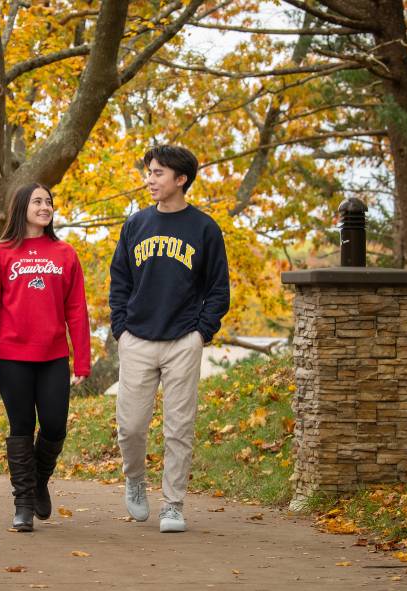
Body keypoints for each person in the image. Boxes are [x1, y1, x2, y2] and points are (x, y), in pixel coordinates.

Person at [109, 145, 230, 533]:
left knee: (179, 426)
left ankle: (173, 505)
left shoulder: (205, 229)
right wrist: (121, 329)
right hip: (138, 338)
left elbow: (218, 289)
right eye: (148, 172)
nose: (149, 179)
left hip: (183, 341)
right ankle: (135, 479)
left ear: (181, 179)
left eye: (158, 173)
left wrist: (201, 333)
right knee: (130, 426)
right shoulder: (135, 225)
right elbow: (119, 281)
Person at [0, 183, 91, 532]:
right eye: (38, 201)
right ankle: (23, 501)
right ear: (22, 206)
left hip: (53, 355)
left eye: (49, 202)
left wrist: (81, 360)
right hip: (11, 356)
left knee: (54, 425)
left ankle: (39, 480)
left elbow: (77, 310)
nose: (45, 206)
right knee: (21, 426)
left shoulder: (65, 253)